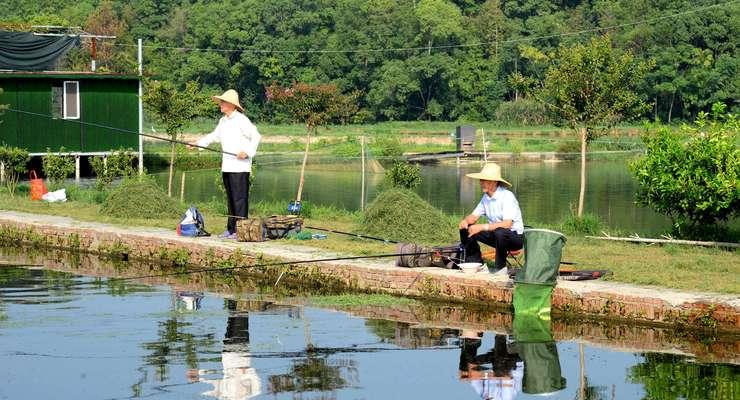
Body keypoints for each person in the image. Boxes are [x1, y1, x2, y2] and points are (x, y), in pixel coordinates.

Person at [192, 89, 261, 240]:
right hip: (227, 166)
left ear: (231, 104)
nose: (220, 105)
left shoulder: (241, 120)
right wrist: (197, 143)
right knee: (230, 198)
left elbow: (256, 136)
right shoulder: (223, 121)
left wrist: (247, 152)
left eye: (223, 102)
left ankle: (240, 230)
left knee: (239, 199)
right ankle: (230, 229)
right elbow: (213, 136)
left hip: (240, 167)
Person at [458, 163, 524, 270]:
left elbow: (507, 224)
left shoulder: (507, 196)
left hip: (514, 238)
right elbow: (474, 217)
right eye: (481, 180)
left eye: (484, 180)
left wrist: (482, 227)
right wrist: (465, 221)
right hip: (496, 236)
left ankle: (500, 269)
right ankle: (474, 263)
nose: (481, 183)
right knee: (466, 228)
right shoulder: (485, 197)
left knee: (500, 232)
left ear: (494, 182)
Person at [458, 331, 523, 400]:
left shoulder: (483, 395)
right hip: (514, 360)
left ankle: (472, 337)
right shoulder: (506, 398)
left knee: (466, 367)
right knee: (499, 370)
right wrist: (485, 375)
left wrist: (468, 374)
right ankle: (500, 333)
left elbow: (473, 376)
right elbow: (505, 376)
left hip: (496, 361)